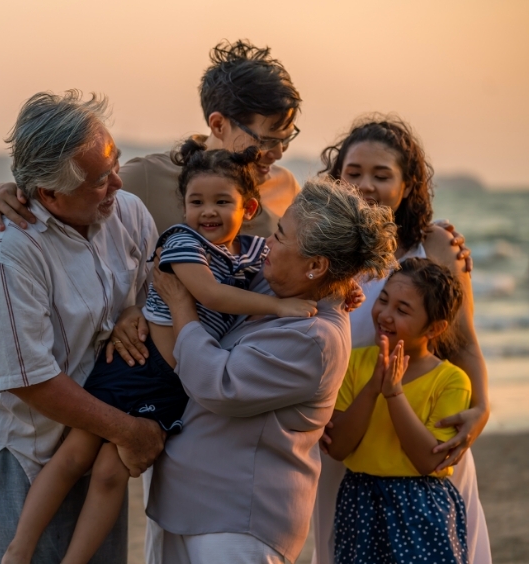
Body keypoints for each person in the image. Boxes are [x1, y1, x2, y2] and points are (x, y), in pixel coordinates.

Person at [1, 139, 316, 564]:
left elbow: (296, 260)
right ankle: (18, 551)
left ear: (250, 209)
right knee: (75, 455)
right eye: (196, 201)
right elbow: (210, 294)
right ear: (183, 207)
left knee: (111, 474)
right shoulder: (183, 242)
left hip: (174, 390)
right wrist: (278, 307)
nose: (208, 211)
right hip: (139, 363)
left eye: (222, 201)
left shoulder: (252, 253)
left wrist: (341, 290)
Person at [138, 178, 398, 564]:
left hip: (238, 520)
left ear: (315, 266)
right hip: (190, 505)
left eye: (279, 236)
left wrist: (179, 306)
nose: (267, 244)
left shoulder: (314, 337)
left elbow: (217, 384)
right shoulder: (273, 285)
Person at [0, 90, 165, 564]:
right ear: (49, 194)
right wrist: (129, 432)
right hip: (26, 452)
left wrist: (134, 313)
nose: (117, 182)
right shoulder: (7, 255)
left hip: (97, 445)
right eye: (100, 180)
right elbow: (29, 379)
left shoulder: (128, 212)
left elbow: (159, 294)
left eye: (115, 163)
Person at [312, 115, 491, 563]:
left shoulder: (435, 244)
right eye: (353, 173)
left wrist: (481, 409)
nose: (366, 185)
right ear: (337, 178)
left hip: (422, 431)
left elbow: (463, 342)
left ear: (408, 185)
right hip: (347, 437)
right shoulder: (322, 250)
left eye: (381, 175)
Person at [0, 39, 303, 242]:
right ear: (218, 124)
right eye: (266, 141)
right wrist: (9, 192)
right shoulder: (148, 178)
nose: (277, 153)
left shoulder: (286, 187)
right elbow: (70, 195)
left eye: (285, 140)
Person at [328, 258, 470, 563]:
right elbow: (338, 447)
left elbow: (428, 460)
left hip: (421, 503)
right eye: (383, 300)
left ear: (435, 328)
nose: (385, 315)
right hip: (360, 499)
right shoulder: (354, 363)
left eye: (402, 310)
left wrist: (394, 393)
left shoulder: (451, 380)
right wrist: (372, 388)